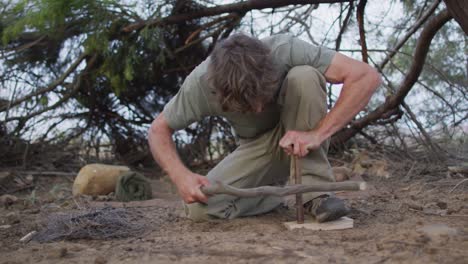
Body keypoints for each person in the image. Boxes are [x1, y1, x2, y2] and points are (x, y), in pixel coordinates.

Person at [148, 33, 381, 222]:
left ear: (271, 66)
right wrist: (181, 176)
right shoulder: (200, 84)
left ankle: (315, 193)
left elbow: (365, 77)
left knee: (305, 76)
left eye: (263, 94)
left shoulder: (284, 49)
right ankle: (273, 193)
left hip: (300, 136)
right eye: (245, 104)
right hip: (259, 151)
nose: (258, 108)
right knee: (199, 209)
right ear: (218, 89)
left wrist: (317, 134)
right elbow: (158, 130)